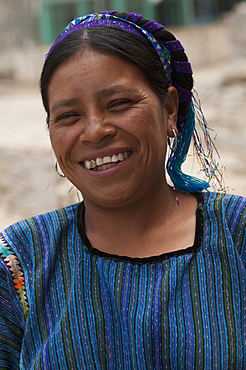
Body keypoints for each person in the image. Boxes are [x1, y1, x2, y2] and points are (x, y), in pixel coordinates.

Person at [0, 10, 245, 370]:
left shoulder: (237, 236)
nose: (95, 131)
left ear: (170, 111)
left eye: (119, 104)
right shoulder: (20, 263)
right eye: (68, 116)